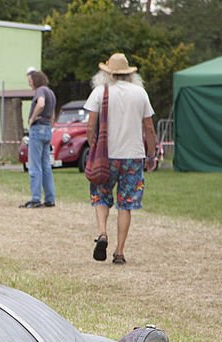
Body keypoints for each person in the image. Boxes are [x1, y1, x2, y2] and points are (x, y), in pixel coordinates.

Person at [84, 53, 158, 265]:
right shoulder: (140, 93)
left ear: (107, 73)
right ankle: (119, 251)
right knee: (126, 204)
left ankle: (102, 233)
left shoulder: (100, 92)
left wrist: (93, 146)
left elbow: (90, 126)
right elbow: (149, 128)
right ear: (129, 74)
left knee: (100, 194)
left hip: (106, 155)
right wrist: (151, 154)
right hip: (133, 156)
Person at [20, 69, 57, 209]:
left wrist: (32, 119)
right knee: (46, 165)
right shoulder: (51, 92)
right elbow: (52, 114)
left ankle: (35, 198)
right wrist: (50, 126)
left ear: (36, 80)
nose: (30, 84)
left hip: (38, 127)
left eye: (30, 81)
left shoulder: (40, 91)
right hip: (47, 128)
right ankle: (50, 198)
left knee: (35, 165)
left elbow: (40, 104)